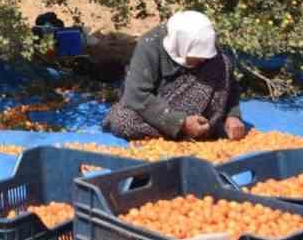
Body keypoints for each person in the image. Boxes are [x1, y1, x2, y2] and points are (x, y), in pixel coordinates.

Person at [102, 10, 248, 141]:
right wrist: (180, 122)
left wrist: (233, 115)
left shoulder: (207, 48)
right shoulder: (150, 45)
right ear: (182, 44)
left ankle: (200, 129)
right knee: (122, 120)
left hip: (201, 114)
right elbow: (136, 94)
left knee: (221, 62)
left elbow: (231, 86)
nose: (203, 60)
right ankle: (189, 132)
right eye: (196, 56)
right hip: (160, 110)